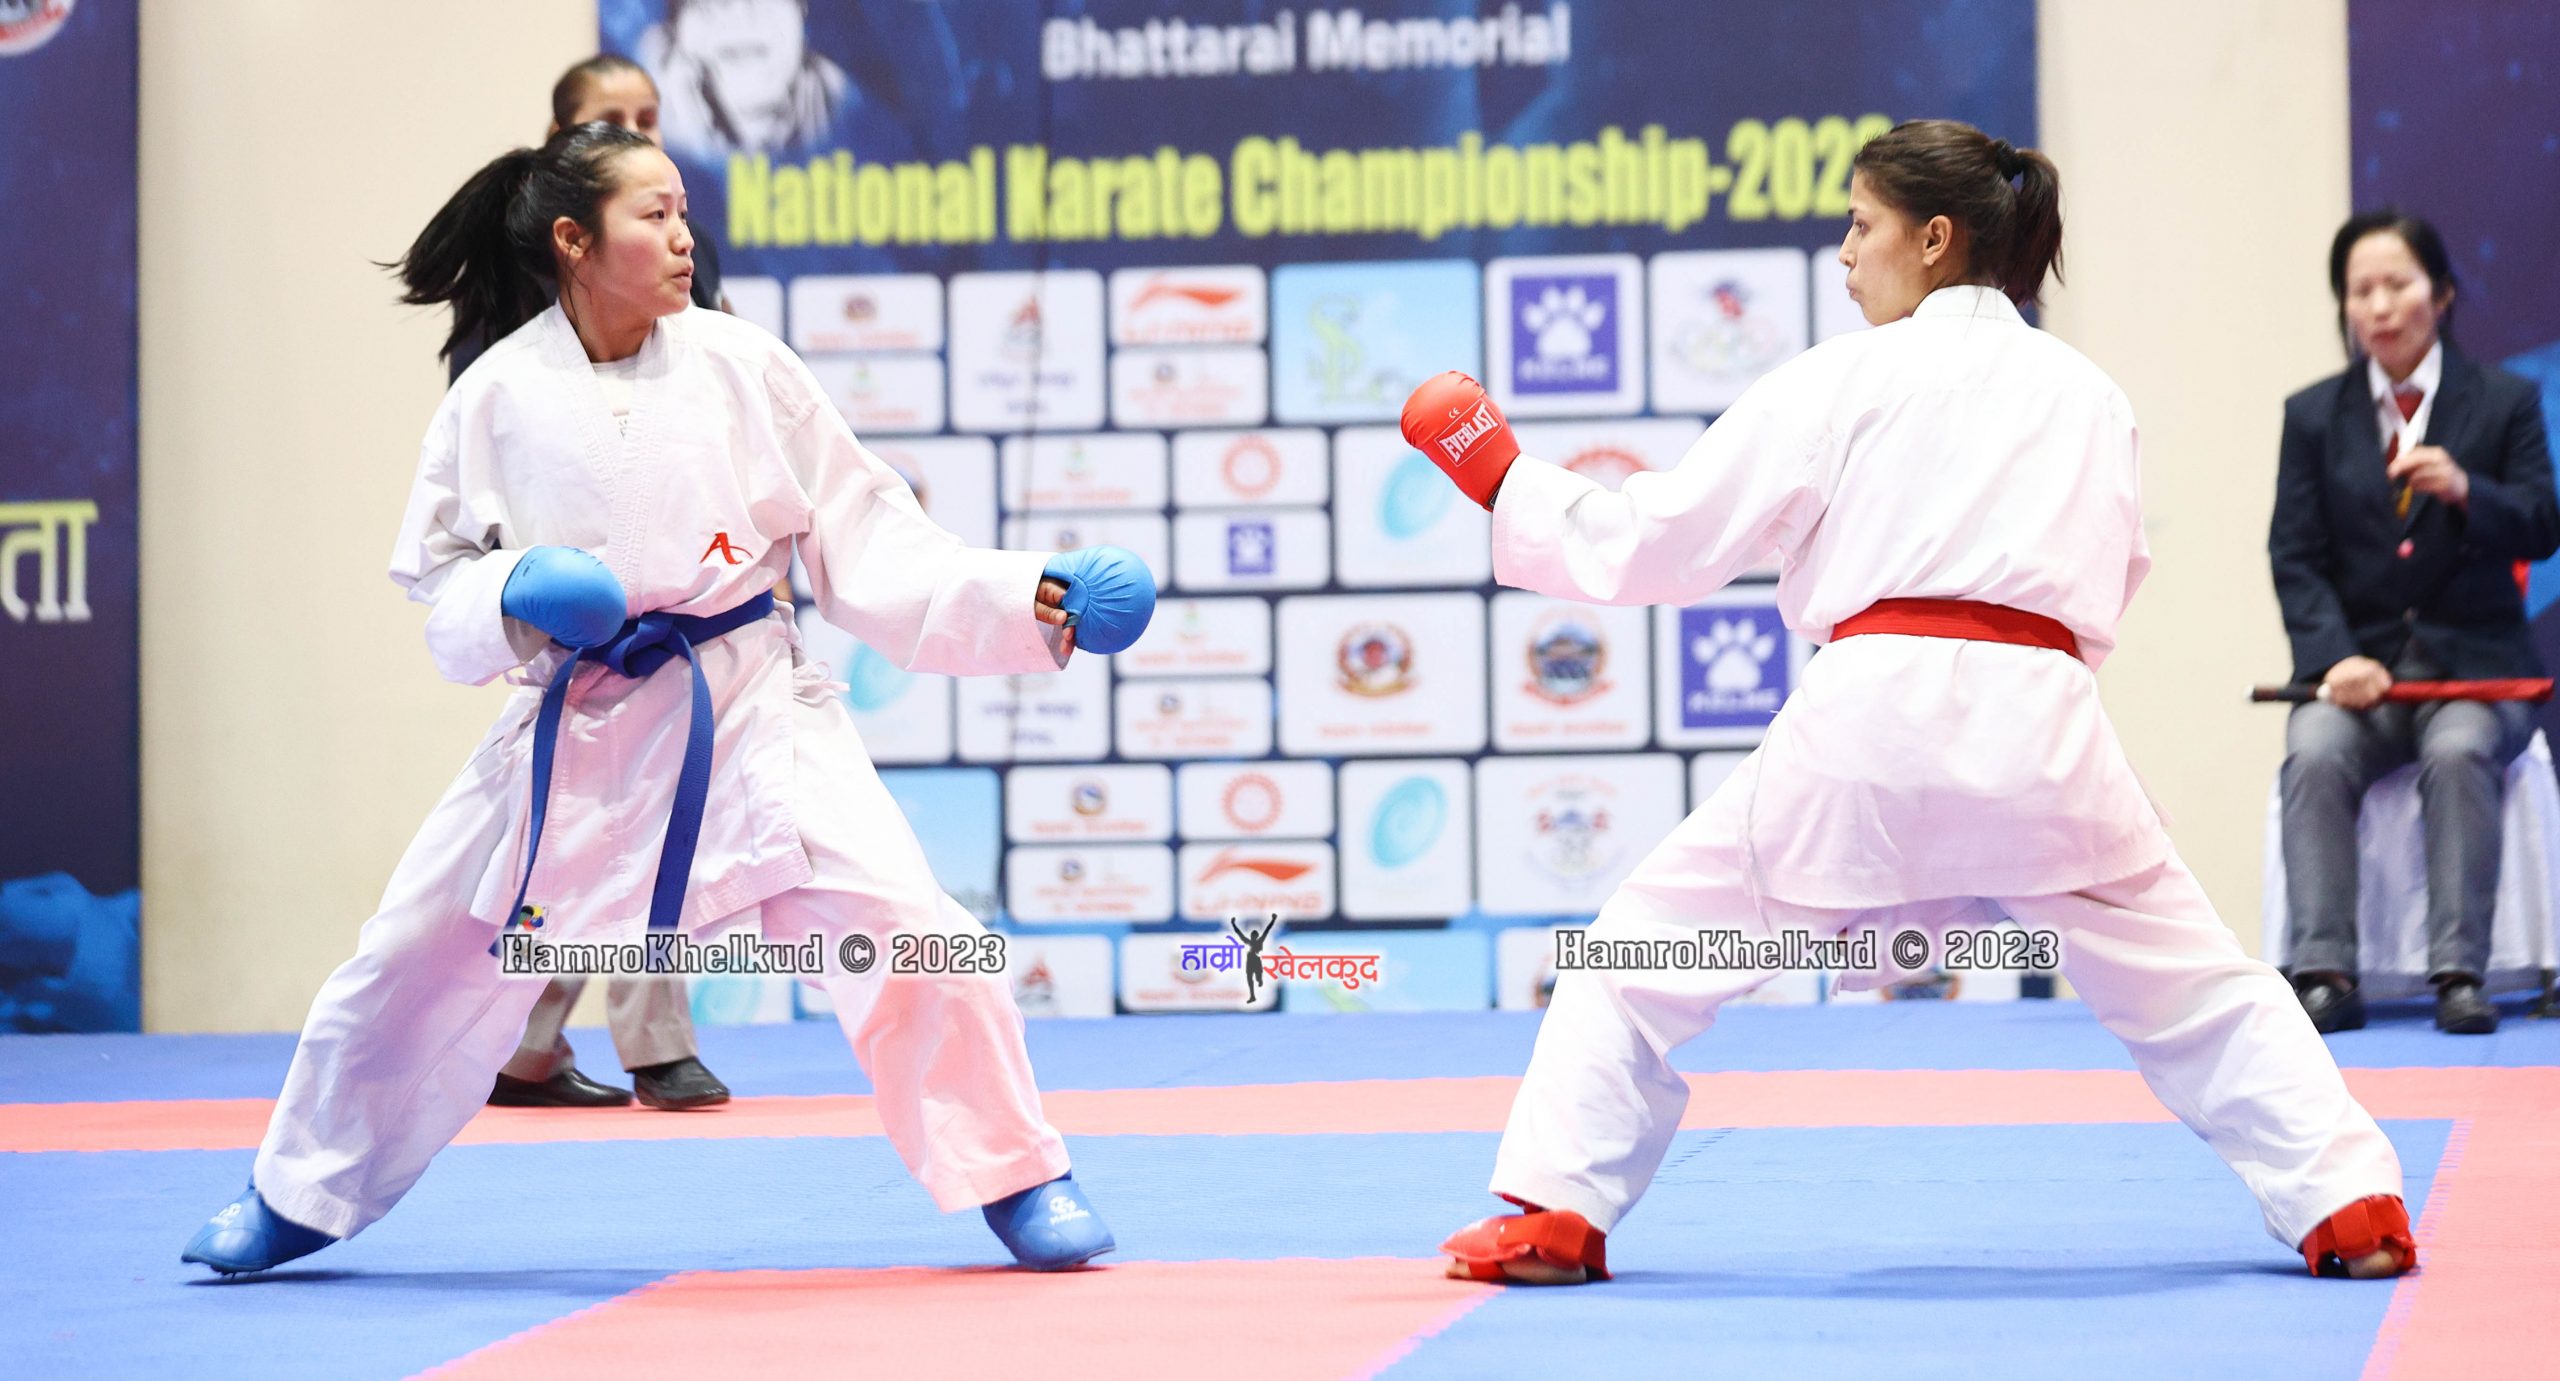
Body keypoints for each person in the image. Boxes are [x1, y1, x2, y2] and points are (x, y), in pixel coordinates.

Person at [1403, 120, 2414, 1286]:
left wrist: (1504, 480)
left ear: (1933, 239)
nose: (1844, 253)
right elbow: (2115, 573)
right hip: (2042, 723)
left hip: (1868, 724)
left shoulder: (1844, 376)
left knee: (1637, 951)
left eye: (1860, 224)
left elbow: (1662, 540)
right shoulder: (2088, 394)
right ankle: (2351, 1202)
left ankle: (1554, 1216)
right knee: (2195, 982)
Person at [180, 121, 1156, 1275]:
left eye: (683, 211)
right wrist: (514, 590)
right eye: (654, 215)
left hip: (747, 710)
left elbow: (874, 542)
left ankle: (1021, 1176)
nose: (686, 236)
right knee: (411, 953)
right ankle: (298, 1189)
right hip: (574, 723)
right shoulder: (496, 395)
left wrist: (1028, 594)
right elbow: (440, 587)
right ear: (573, 240)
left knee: (915, 927)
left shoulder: (744, 366)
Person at [469, 53, 732, 1112]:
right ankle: (521, 1041)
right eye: (611, 117)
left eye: (649, 115)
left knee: (670, 823)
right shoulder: (516, 308)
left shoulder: (680, 266)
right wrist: (528, 580)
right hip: (566, 615)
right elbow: (483, 458)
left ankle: (653, 1040)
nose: (639, 129)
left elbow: (719, 424)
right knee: (559, 843)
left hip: (677, 607)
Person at [2270, 210, 2559, 1036]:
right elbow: (2295, 556)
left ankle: (2459, 974)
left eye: (2397, 284)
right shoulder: (2313, 415)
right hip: (2363, 673)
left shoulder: (2502, 401)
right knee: (2314, 747)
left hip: (2477, 668)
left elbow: (2542, 525)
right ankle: (2325, 972)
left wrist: (2468, 490)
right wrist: (2334, 659)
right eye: (2360, 290)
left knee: (2461, 748)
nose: (2379, 306)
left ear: (2442, 294)